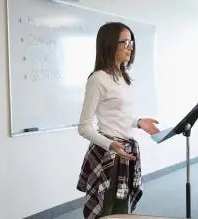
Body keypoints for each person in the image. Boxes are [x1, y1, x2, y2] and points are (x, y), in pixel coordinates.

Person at [76, 22, 160, 219]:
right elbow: (84, 127)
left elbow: (118, 115)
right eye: (124, 42)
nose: (130, 46)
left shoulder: (123, 76)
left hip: (126, 152)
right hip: (109, 154)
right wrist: (110, 144)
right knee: (105, 212)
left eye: (131, 41)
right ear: (110, 44)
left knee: (122, 211)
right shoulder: (98, 79)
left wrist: (138, 122)